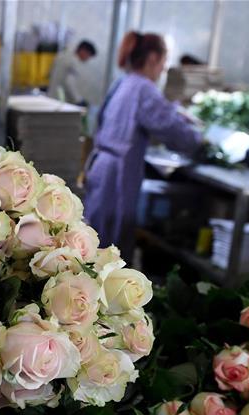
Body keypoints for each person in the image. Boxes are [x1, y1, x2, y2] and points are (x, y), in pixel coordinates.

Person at [83, 32, 202, 257]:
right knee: (111, 251)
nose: (162, 70)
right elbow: (170, 128)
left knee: (94, 241)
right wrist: (200, 141)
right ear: (153, 58)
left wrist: (175, 111)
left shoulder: (122, 83)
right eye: (163, 63)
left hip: (100, 168)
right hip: (117, 177)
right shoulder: (144, 88)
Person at [47, 40, 96, 105]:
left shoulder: (62, 55)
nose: (87, 59)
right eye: (88, 56)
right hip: (61, 101)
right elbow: (69, 82)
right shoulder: (73, 62)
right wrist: (79, 100)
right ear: (83, 51)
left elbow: (50, 73)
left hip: (51, 97)